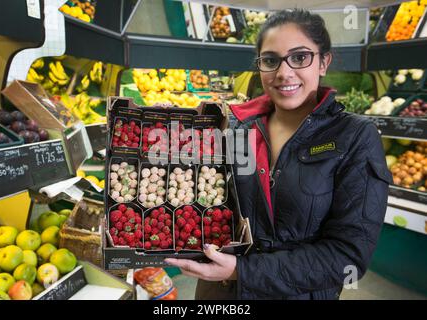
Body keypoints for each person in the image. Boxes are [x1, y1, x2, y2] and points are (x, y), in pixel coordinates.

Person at [165, 9, 392, 300]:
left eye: (300, 57)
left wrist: (242, 271)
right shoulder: (235, 127)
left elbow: (348, 257)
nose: (284, 73)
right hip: (218, 294)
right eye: (271, 60)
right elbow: (197, 193)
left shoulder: (355, 137)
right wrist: (170, 126)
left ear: (323, 62)